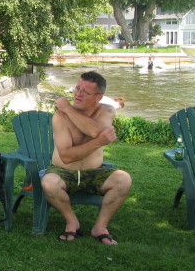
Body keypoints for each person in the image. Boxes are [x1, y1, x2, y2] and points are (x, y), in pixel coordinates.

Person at [42, 71, 131, 245]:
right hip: (63, 171)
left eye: (85, 92)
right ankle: (71, 221)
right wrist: (99, 142)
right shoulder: (60, 116)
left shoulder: (107, 109)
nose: (78, 94)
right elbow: (66, 157)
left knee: (124, 180)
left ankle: (100, 226)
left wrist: (67, 108)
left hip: (95, 171)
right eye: (77, 88)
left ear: (98, 97)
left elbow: (97, 131)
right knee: (48, 183)